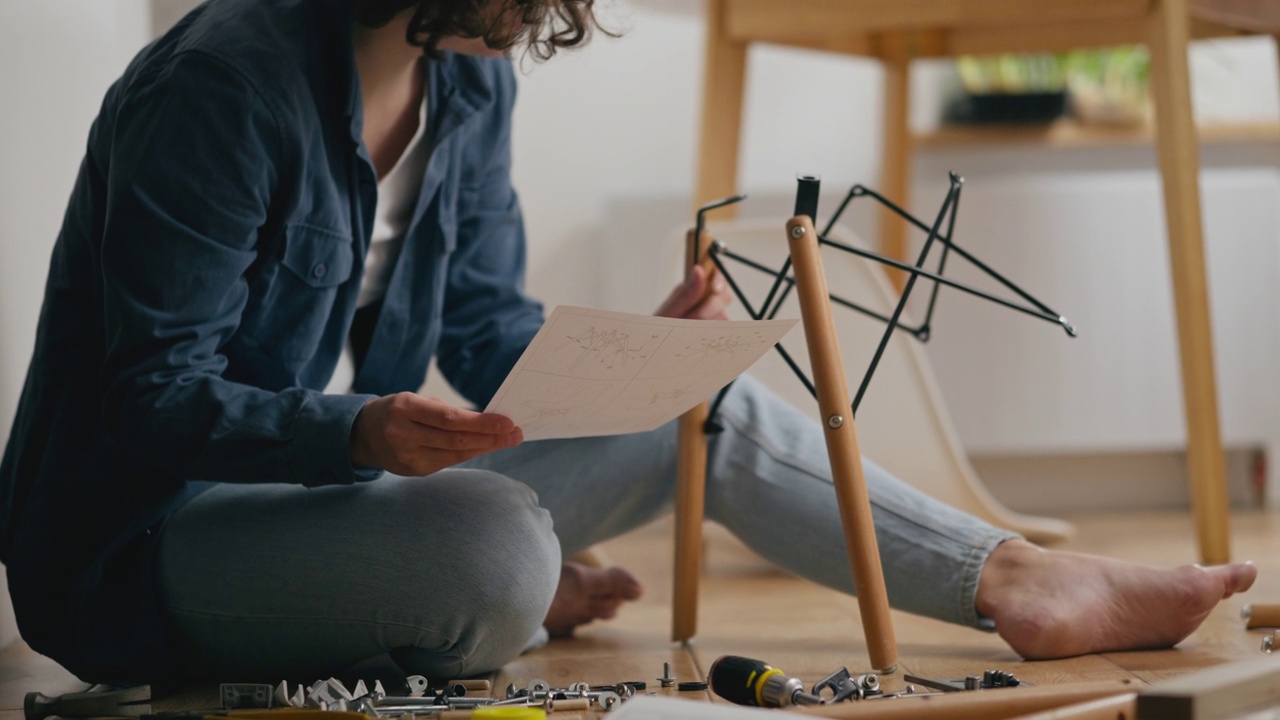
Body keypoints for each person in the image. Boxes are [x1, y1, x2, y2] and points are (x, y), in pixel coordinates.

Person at [0, 0, 1256, 685]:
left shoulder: (470, 80)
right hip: (141, 545)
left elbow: (489, 331)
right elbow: (148, 398)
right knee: (490, 544)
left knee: (698, 404)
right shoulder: (219, 84)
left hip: (317, 488)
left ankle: (1014, 579)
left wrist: (628, 361)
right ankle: (500, 580)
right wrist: (362, 427)